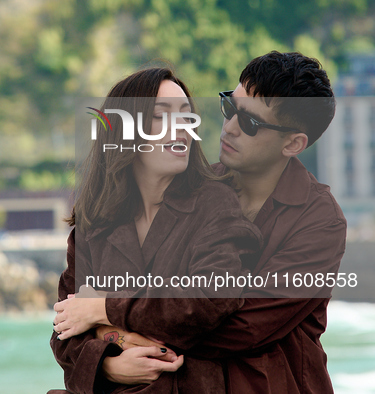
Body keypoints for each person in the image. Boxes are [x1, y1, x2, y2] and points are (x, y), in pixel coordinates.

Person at [54, 51, 346, 394]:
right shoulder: (185, 189)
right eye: (230, 108)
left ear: (293, 143)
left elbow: (241, 326)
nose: (230, 128)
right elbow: (68, 322)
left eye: (250, 123)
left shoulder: (320, 223)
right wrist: (107, 366)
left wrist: (109, 316)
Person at [50, 67, 262, 393]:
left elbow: (209, 299)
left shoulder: (214, 202)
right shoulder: (96, 222)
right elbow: (65, 327)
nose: (180, 128)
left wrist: (103, 309)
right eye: (161, 117)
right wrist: (109, 366)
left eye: (186, 116)